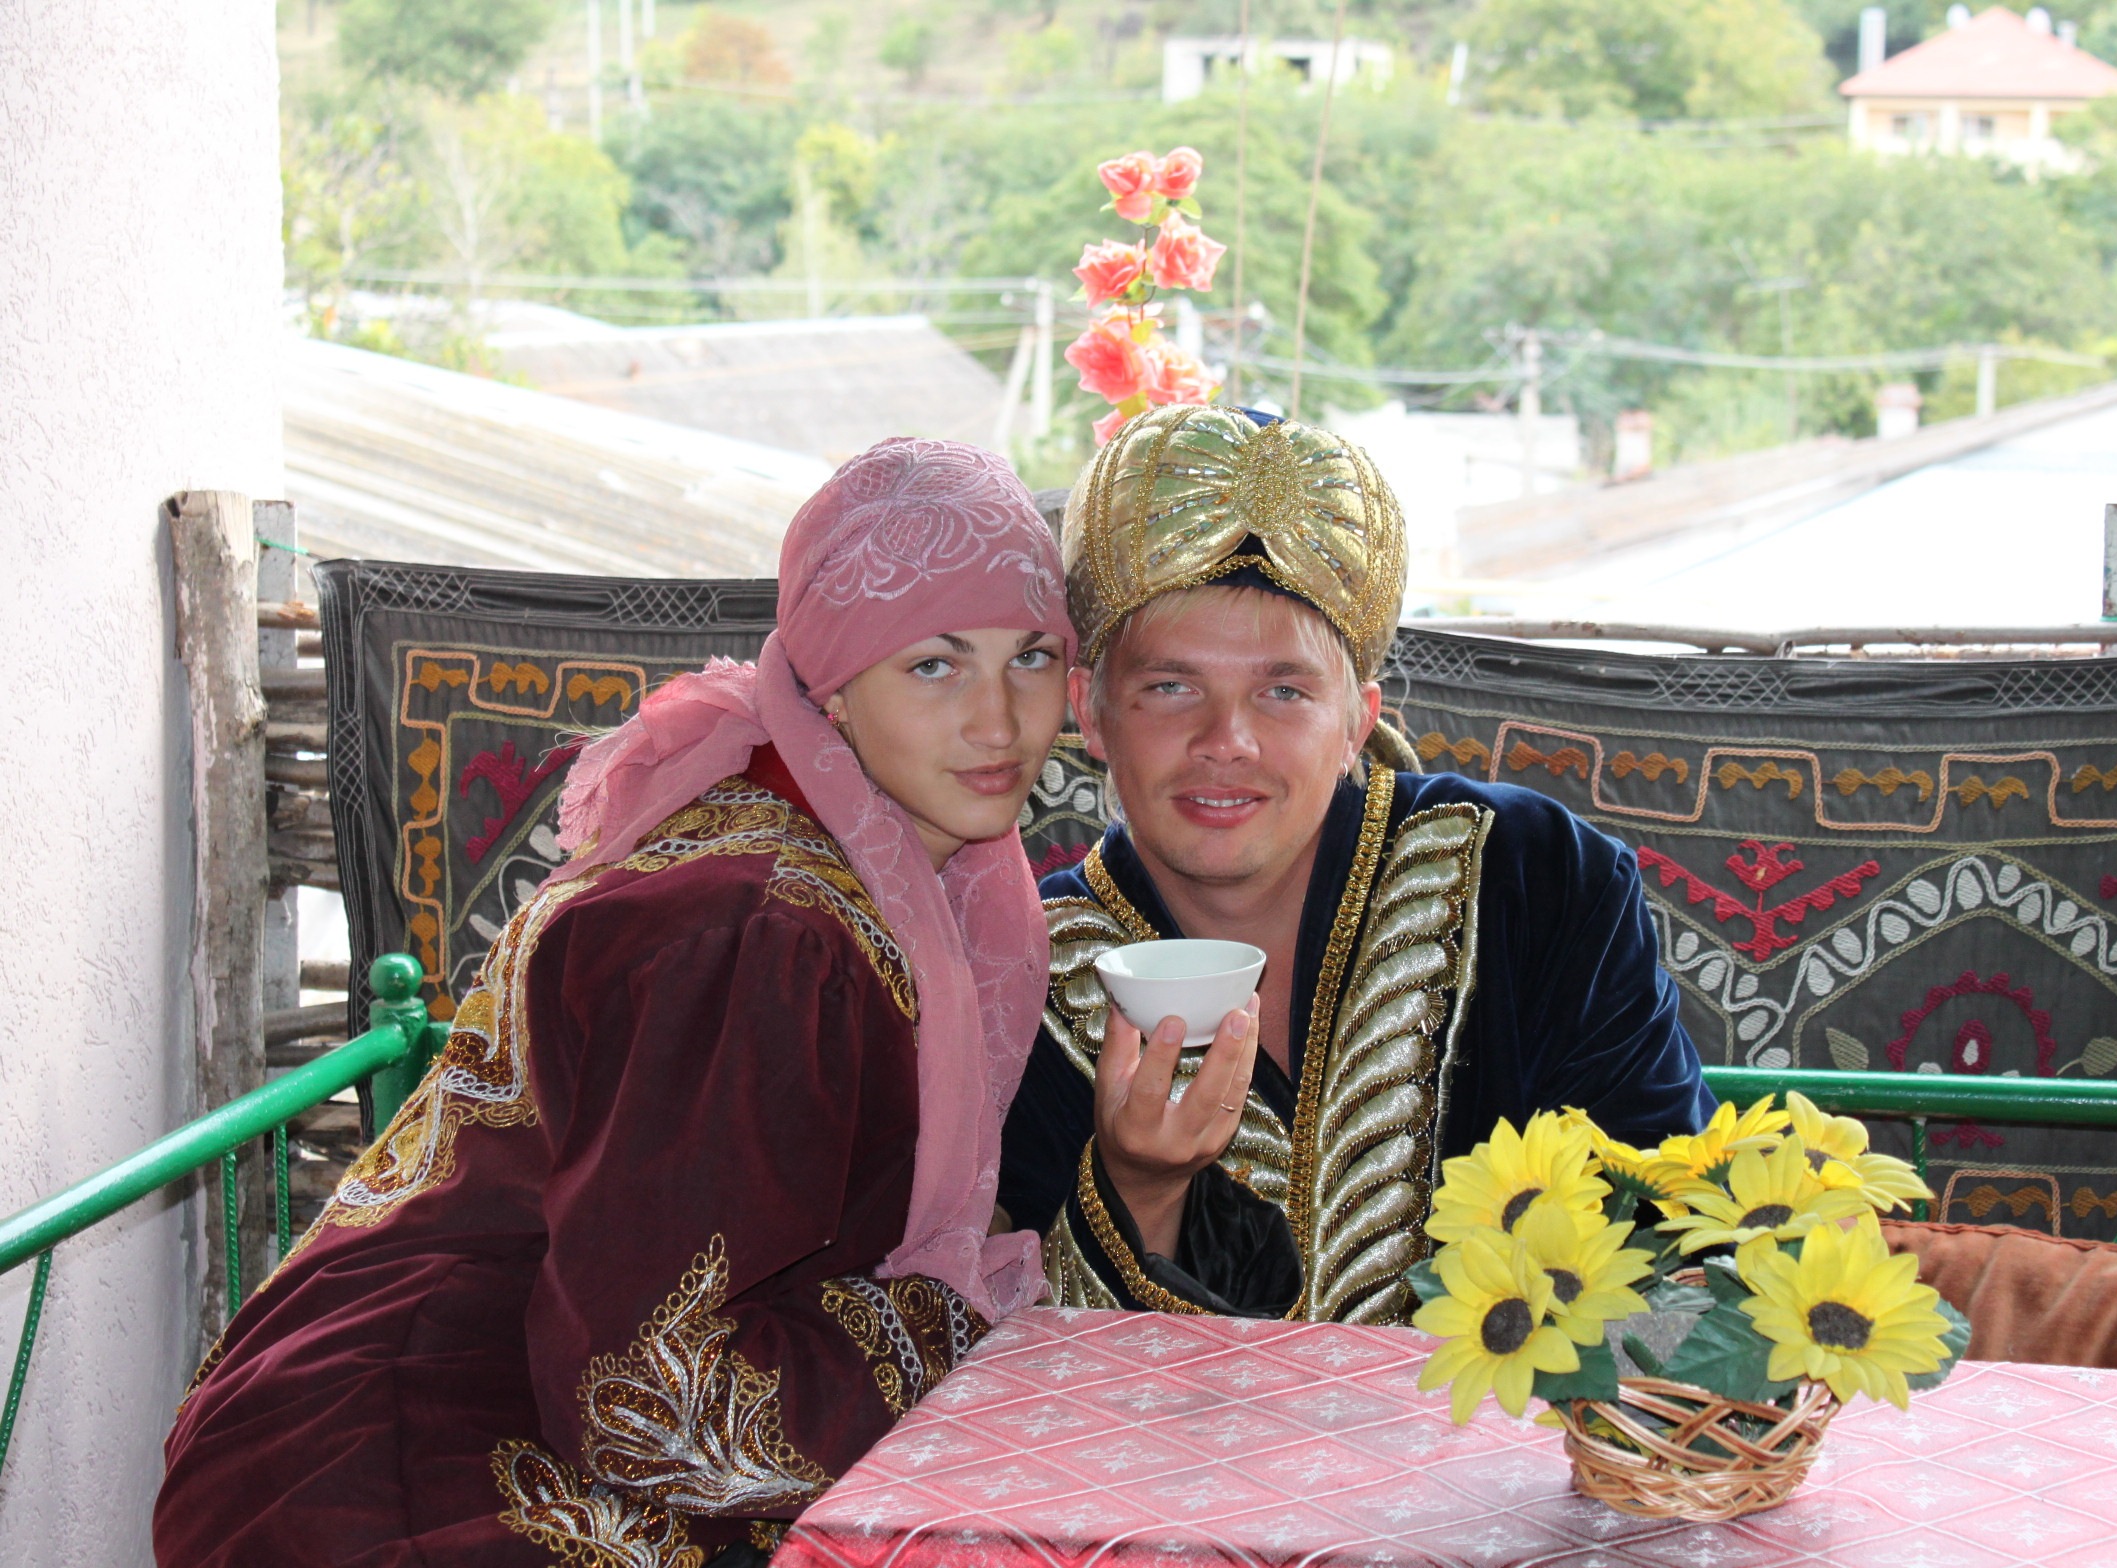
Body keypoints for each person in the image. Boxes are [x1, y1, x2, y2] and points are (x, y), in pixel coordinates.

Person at [155, 439, 1075, 1567]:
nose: (1000, 721)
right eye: (934, 664)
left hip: (466, 1407)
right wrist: (954, 1317)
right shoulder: (765, 932)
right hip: (391, 1475)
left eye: (1033, 657)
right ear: (834, 684)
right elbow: (650, 1399)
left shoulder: (881, 874)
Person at [997, 405, 1715, 1322]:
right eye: (1170, 687)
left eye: (1284, 691)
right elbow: (1016, 1347)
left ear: (1356, 722)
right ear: (1090, 713)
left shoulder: (1535, 880)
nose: (1227, 740)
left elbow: (1670, 1235)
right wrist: (1138, 1188)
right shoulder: (1027, 967)